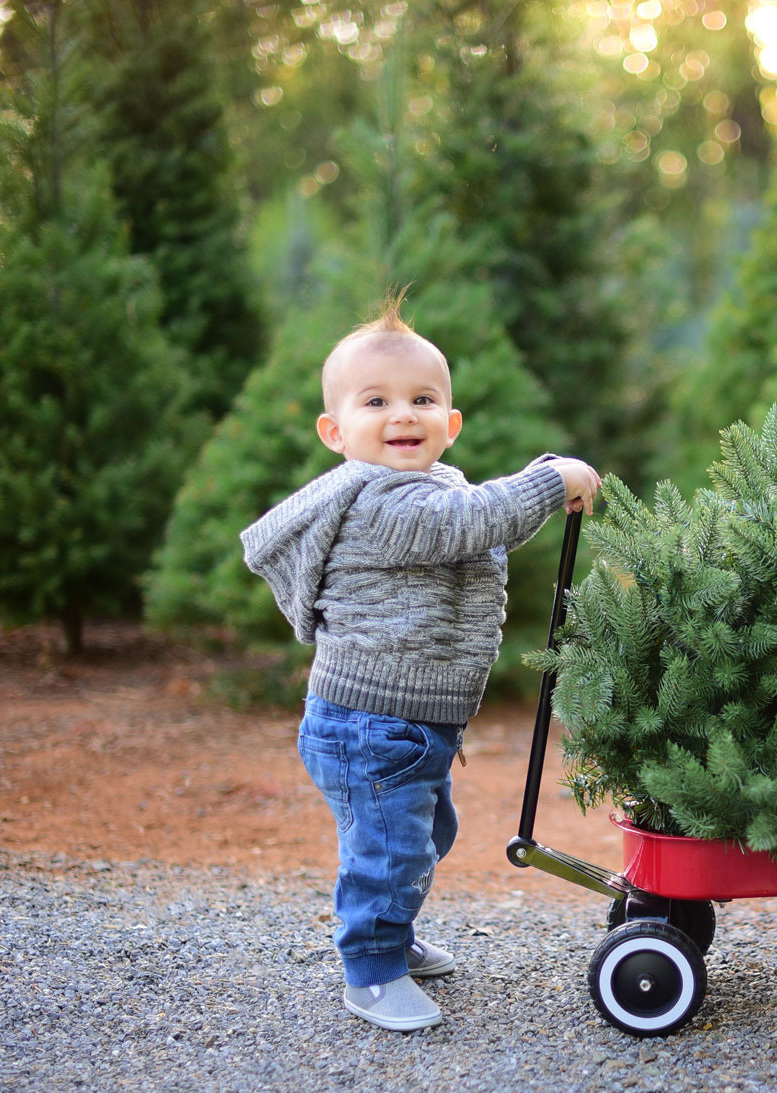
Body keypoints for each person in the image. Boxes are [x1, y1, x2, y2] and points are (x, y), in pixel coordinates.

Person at [240, 295, 600, 1031]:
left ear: (450, 422)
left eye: (422, 399)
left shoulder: (434, 488)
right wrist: (548, 482)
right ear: (335, 432)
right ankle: (370, 972)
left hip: (408, 723)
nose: (403, 414)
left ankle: (392, 938)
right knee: (388, 851)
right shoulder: (377, 502)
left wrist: (535, 480)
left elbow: (474, 526)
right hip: (370, 724)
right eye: (376, 402)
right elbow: (466, 524)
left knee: (423, 837)